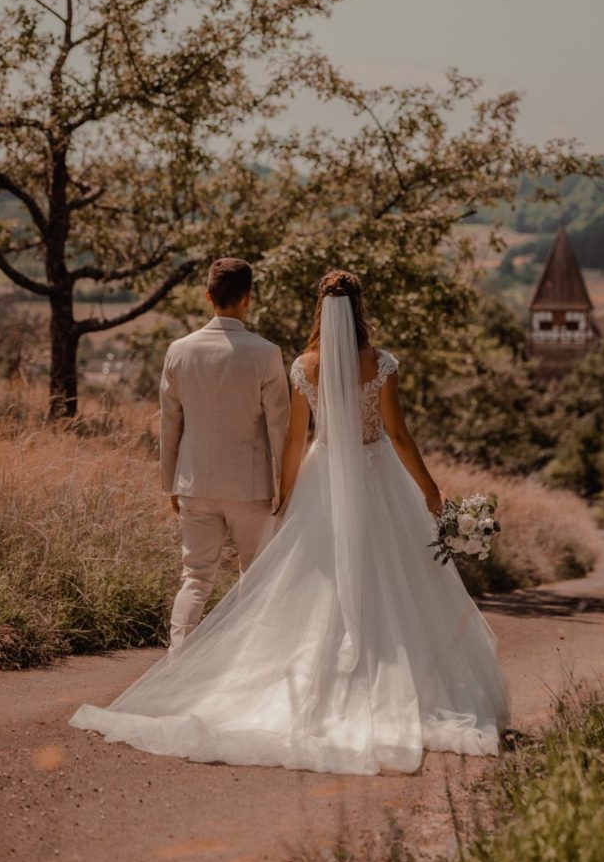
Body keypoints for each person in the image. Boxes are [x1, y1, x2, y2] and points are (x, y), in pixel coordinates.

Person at [70, 270, 508, 775]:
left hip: (319, 481)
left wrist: (288, 497)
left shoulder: (304, 367)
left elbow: (295, 440)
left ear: (320, 311)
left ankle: (227, 670)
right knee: (395, 579)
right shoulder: (381, 365)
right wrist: (430, 491)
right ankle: (396, 680)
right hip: (379, 477)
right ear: (359, 310)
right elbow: (400, 436)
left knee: (302, 587)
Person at [159, 257, 290, 650]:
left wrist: (170, 485)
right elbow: (278, 426)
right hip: (250, 487)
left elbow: (169, 423)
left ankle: (176, 663)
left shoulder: (179, 351)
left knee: (195, 578)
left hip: (194, 482)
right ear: (247, 299)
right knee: (255, 577)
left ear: (208, 296)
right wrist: (285, 485)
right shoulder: (265, 353)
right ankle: (246, 664)